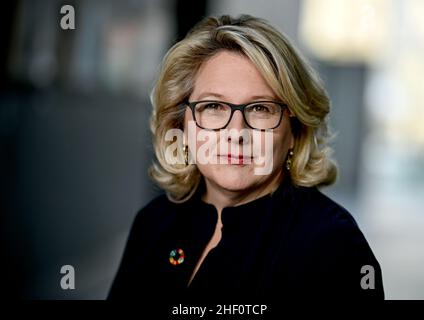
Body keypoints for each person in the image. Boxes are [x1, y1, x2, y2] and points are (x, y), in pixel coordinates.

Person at [108, 14, 384, 302]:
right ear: (181, 123)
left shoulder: (334, 246)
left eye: (260, 109)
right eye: (213, 105)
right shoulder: (153, 222)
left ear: (296, 128)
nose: (236, 132)